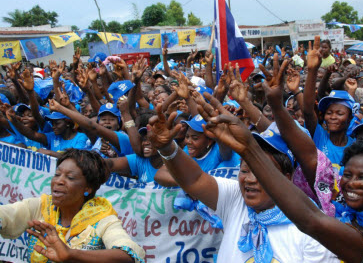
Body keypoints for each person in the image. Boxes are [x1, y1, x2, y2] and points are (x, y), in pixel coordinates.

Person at [146, 105, 338, 263]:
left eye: (263, 173)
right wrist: (167, 149)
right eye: (245, 170)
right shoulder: (236, 200)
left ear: (287, 178)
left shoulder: (313, 229)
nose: (250, 180)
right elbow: (194, 180)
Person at [0, 149, 145, 263]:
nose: (59, 181)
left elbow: (127, 255)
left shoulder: (103, 219)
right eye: (57, 175)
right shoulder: (40, 206)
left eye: (70, 178)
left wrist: (70, 255)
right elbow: (6, 215)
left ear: (88, 188)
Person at [303, 36, 355, 172]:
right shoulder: (319, 136)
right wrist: (312, 70)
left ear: (350, 117)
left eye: (339, 113)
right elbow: (308, 111)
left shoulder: (356, 147)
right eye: (329, 112)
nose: (332, 117)